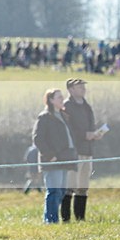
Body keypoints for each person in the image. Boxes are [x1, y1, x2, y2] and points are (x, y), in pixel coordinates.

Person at [33, 88, 77, 224]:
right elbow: (37, 138)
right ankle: (51, 221)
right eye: (58, 97)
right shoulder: (45, 117)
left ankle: (50, 218)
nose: (62, 99)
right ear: (51, 100)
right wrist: (49, 155)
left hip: (64, 158)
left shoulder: (64, 116)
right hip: (52, 160)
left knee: (62, 191)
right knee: (54, 191)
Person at [62, 78, 104, 221]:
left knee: (83, 186)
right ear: (71, 89)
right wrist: (84, 135)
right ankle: (66, 219)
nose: (83, 89)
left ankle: (80, 218)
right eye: (79, 86)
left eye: (83, 86)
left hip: (87, 151)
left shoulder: (87, 106)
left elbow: (90, 125)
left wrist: (95, 134)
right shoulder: (66, 106)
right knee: (70, 186)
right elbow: (68, 129)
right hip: (74, 152)